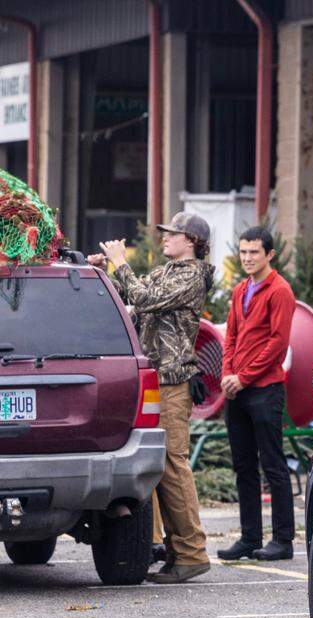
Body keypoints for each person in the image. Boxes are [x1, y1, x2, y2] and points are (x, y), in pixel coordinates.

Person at [90, 212, 216, 584]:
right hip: (156, 379)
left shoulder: (191, 274)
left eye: (172, 234)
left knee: (173, 466)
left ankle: (192, 552)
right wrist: (108, 269)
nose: (164, 238)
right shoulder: (169, 271)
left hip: (173, 383)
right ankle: (173, 550)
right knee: (159, 466)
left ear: (191, 241)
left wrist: (120, 262)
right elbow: (135, 293)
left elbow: (144, 297)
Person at [215, 227, 298, 562]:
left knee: (273, 465)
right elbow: (231, 337)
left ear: (269, 255)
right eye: (243, 252)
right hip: (237, 390)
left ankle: (283, 540)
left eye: (254, 253)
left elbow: (277, 344)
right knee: (243, 466)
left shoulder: (280, 290)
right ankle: (249, 537)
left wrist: (243, 377)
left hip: (265, 390)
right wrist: (226, 375)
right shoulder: (239, 290)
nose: (247, 258)